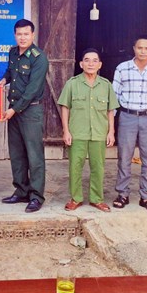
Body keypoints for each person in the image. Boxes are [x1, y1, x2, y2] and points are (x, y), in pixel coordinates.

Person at [112, 35, 147, 213]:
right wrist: (110, 124)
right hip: (127, 117)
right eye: (140, 48)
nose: (143, 51)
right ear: (134, 48)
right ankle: (123, 193)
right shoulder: (122, 68)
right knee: (124, 157)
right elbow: (114, 96)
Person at [58, 48, 119, 212]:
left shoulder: (106, 85)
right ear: (81, 64)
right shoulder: (72, 83)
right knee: (75, 166)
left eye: (94, 60)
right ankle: (75, 198)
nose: (90, 63)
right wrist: (66, 131)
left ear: (100, 64)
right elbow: (65, 107)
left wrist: (111, 132)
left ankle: (96, 199)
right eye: (87, 60)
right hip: (77, 132)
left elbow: (110, 110)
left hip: (99, 133)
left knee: (98, 167)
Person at [0, 19, 49, 213]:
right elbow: (11, 73)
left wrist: (13, 110)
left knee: (34, 156)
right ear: (15, 35)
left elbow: (32, 90)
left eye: (26, 34)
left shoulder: (39, 58)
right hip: (14, 110)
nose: (22, 37)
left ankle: (36, 196)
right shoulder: (13, 52)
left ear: (33, 35)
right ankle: (21, 191)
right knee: (17, 154)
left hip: (30, 111)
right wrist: (3, 80)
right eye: (19, 34)